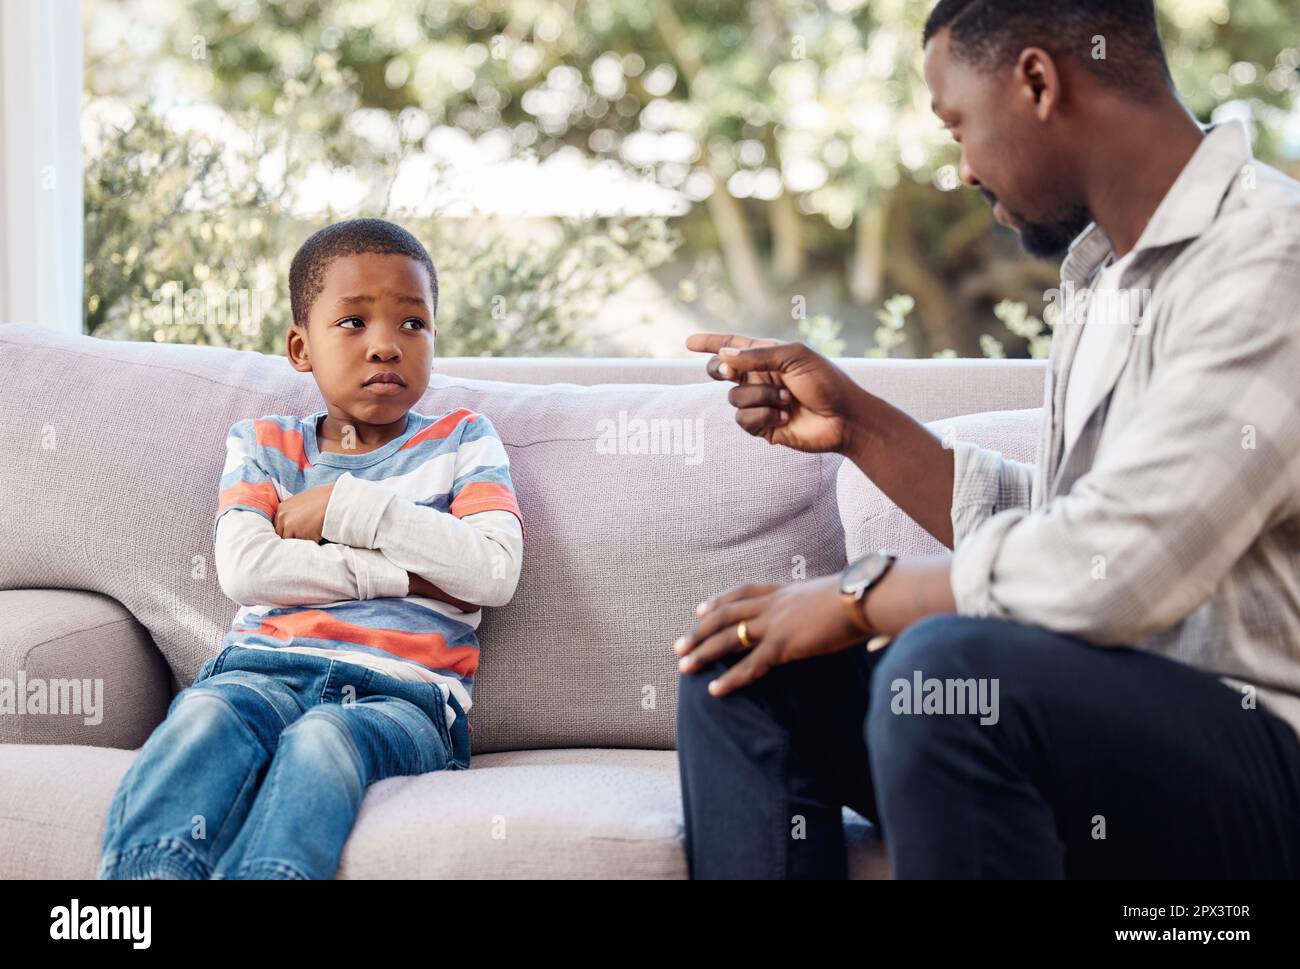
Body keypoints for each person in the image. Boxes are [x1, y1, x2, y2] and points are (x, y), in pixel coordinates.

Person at [675, 0, 1300, 879]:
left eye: (958, 124)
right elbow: (1060, 531)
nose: (964, 167)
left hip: (1261, 753)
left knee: (942, 673)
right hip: (1090, 710)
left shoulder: (1268, 259)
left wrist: (861, 596)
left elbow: (1119, 562)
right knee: (741, 664)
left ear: (1037, 81)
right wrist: (858, 423)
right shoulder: (1106, 274)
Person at [99, 218, 525, 879]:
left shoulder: (464, 438)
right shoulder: (264, 444)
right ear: (301, 347)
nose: (386, 345)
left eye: (413, 323)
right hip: (258, 672)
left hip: (402, 700)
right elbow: (249, 569)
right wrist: (405, 575)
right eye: (353, 322)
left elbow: (492, 572)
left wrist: (344, 507)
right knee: (204, 716)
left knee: (322, 739)